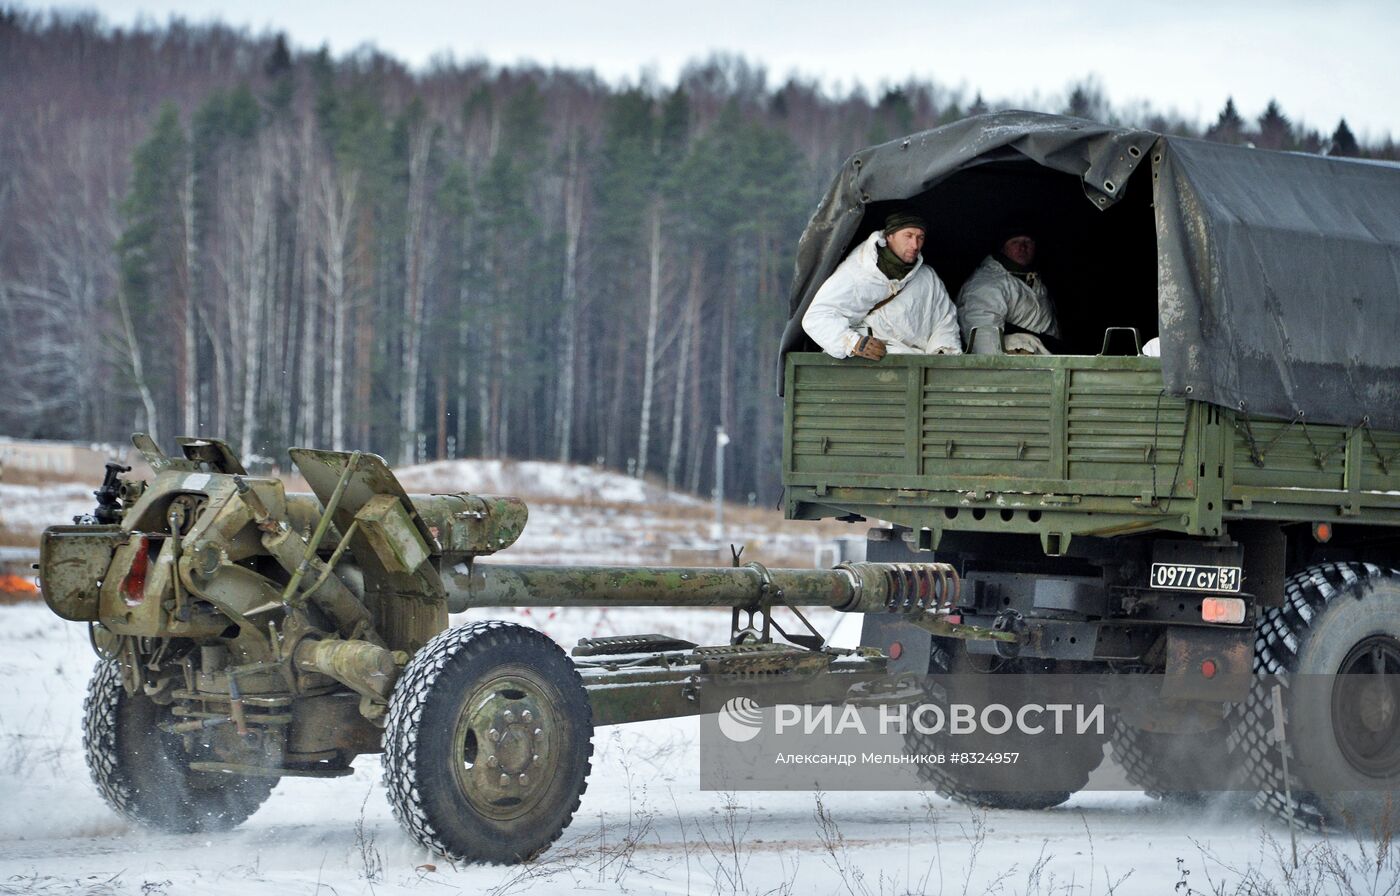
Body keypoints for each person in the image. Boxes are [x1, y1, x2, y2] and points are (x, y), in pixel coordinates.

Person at [801, 210, 962, 360]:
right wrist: (853, 343)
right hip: (871, 367)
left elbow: (945, 321)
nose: (915, 245)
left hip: (917, 364)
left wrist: (942, 354)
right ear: (889, 236)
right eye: (908, 235)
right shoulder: (858, 272)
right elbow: (816, 318)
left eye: (920, 237)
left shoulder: (927, 278)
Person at [958, 229, 1063, 354]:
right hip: (1013, 367)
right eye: (1015, 242)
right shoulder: (986, 284)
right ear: (1002, 248)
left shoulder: (1036, 279)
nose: (1022, 247)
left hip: (1050, 363)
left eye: (1028, 242)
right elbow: (984, 342)